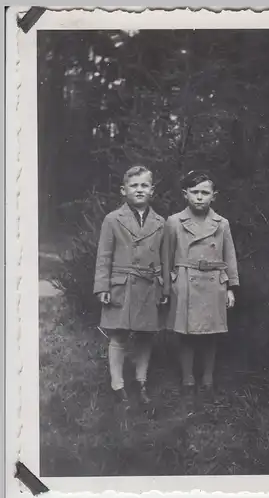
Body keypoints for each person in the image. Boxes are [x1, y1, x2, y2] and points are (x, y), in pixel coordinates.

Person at [162, 170, 239, 397]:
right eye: (194, 192)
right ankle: (187, 379)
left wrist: (231, 288)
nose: (199, 197)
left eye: (205, 192)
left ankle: (208, 379)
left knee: (210, 333)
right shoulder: (174, 221)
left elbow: (230, 256)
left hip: (214, 282)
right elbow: (166, 257)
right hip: (185, 281)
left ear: (213, 196)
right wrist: (169, 286)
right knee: (185, 333)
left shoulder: (221, 223)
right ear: (185, 194)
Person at [94, 165, 165, 404]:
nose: (139, 190)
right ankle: (117, 385)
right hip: (121, 284)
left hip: (148, 285)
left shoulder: (160, 222)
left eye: (144, 185)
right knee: (119, 335)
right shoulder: (113, 219)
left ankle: (140, 382)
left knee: (145, 335)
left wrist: (163, 287)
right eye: (134, 186)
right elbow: (104, 256)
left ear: (152, 190)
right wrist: (102, 287)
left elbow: (163, 259)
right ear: (124, 190)